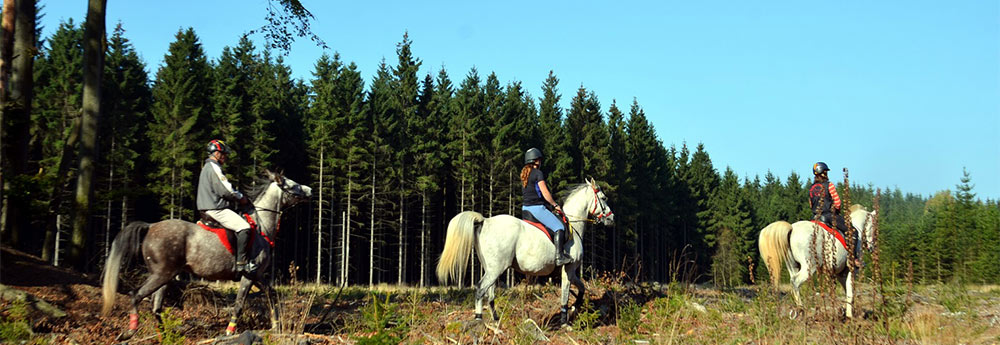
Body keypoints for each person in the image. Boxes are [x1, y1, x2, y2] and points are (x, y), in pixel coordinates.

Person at [197, 139, 255, 275]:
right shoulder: (214, 168)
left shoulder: (207, 167)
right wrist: (241, 198)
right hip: (215, 208)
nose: (225, 157)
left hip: (208, 206)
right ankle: (241, 263)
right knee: (244, 227)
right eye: (223, 154)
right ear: (216, 153)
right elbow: (225, 190)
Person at [520, 148, 571, 266]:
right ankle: (559, 257)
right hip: (537, 209)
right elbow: (545, 193)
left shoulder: (524, 174)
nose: (540, 162)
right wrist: (555, 205)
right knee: (559, 227)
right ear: (536, 160)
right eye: (539, 159)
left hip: (525, 209)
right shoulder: (538, 173)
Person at [808, 162, 861, 267]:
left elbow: (810, 204)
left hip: (815, 218)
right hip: (828, 216)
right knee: (853, 232)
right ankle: (853, 259)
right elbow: (838, 203)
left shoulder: (811, 188)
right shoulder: (829, 185)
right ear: (822, 173)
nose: (827, 174)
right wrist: (837, 210)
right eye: (826, 172)